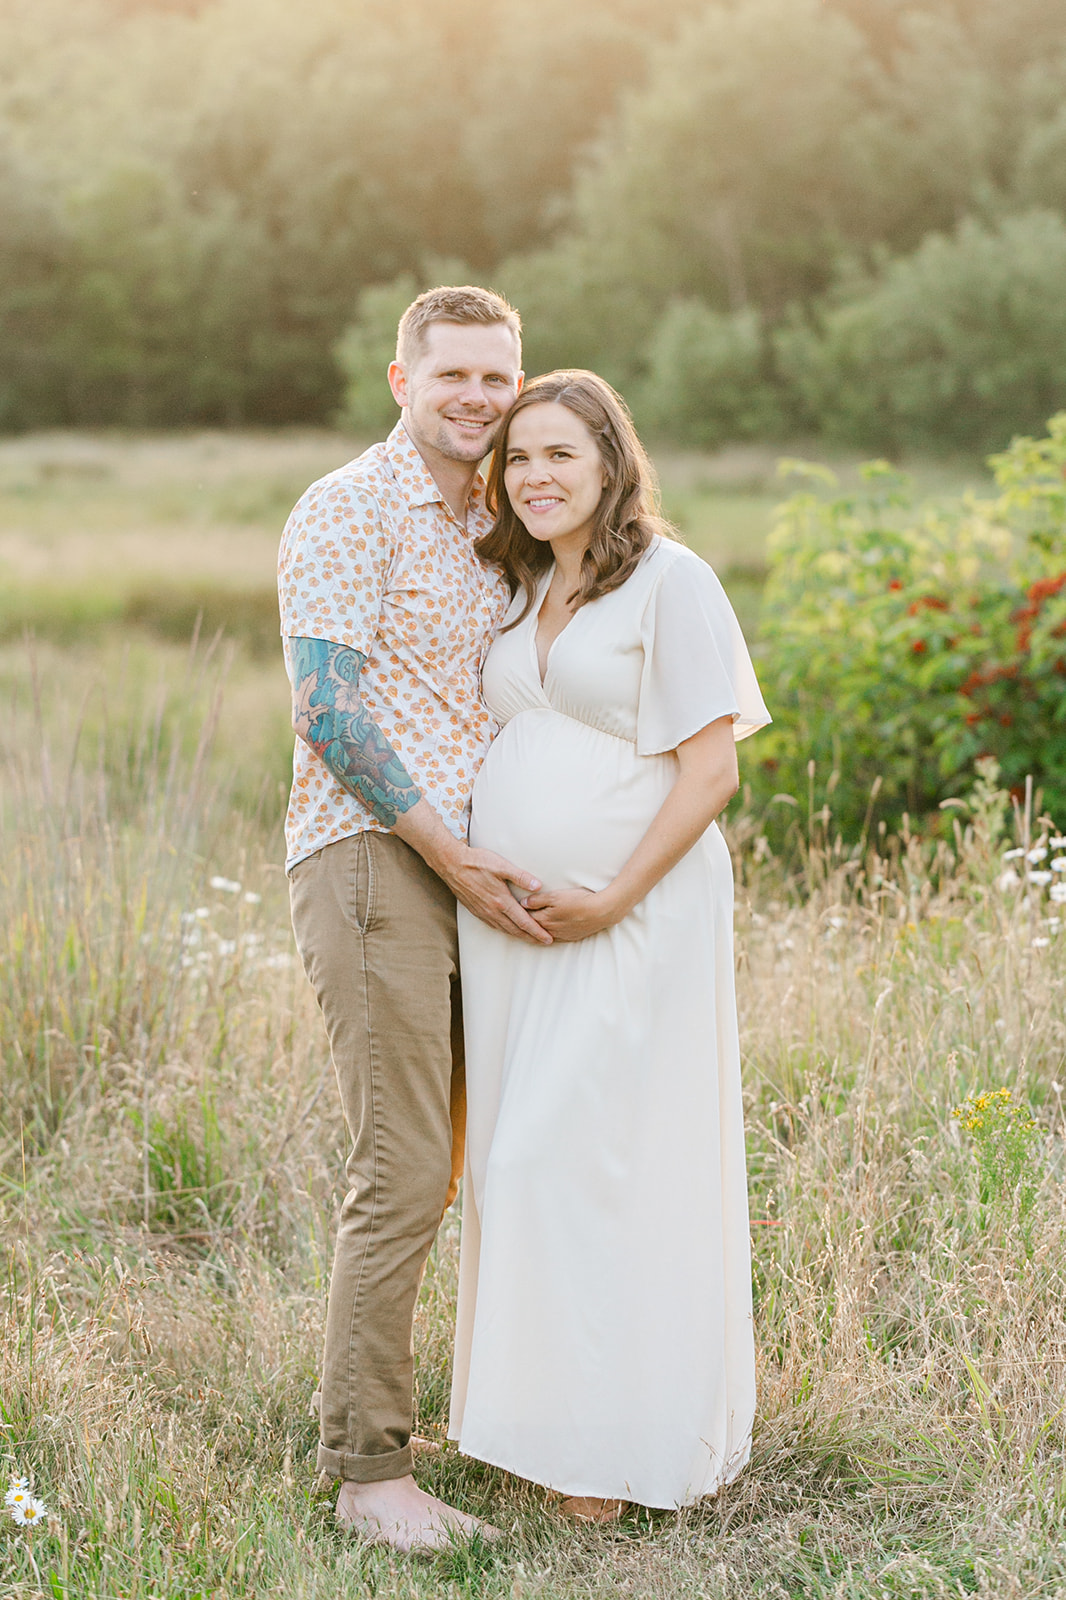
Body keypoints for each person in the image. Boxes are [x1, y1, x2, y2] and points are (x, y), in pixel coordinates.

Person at [448, 370, 771, 1517]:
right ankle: (542, 1428)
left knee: (595, 1161)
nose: (534, 477)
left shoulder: (670, 583)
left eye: (559, 458)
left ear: (609, 465)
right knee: (513, 1166)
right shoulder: (521, 581)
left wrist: (614, 897)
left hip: (635, 919)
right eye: (517, 459)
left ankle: (616, 1450)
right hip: (512, 936)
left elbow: (711, 770)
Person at [278, 285, 551, 1554]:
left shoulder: (496, 522)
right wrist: (450, 851)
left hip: (471, 873)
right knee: (399, 1168)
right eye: (453, 375)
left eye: (497, 377)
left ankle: (439, 1412)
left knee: (465, 1159)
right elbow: (327, 712)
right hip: (374, 856)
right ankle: (367, 1474)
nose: (478, 398)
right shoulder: (348, 506)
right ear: (402, 380)